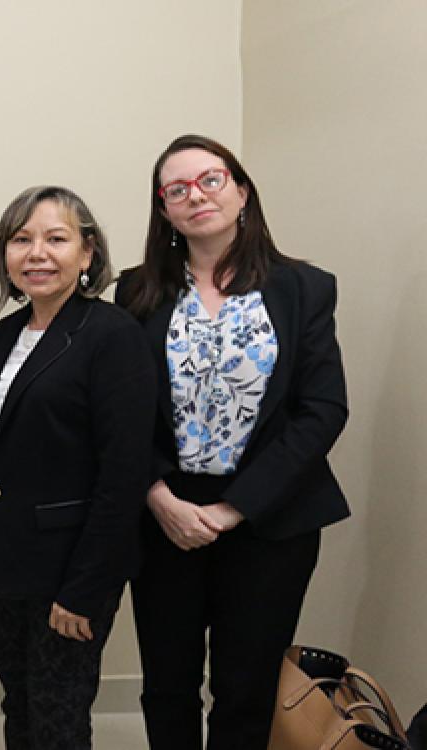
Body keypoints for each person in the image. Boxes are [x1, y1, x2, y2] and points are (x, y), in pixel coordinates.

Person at [116, 134, 349, 749]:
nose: (196, 196)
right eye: (177, 190)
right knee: (166, 685)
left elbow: (322, 411)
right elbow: (122, 412)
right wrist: (159, 495)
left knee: (245, 690)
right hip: (165, 514)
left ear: (241, 190)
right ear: (163, 210)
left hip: (269, 516)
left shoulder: (305, 289)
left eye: (210, 180)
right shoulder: (135, 294)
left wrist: (232, 508)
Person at [0, 186, 155, 750]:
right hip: (6, 564)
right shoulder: (6, 333)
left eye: (56, 238)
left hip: (69, 570)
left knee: (58, 718)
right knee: (19, 705)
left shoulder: (111, 334)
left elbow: (123, 473)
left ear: (88, 253)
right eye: (20, 240)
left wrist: (85, 587)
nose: (36, 253)